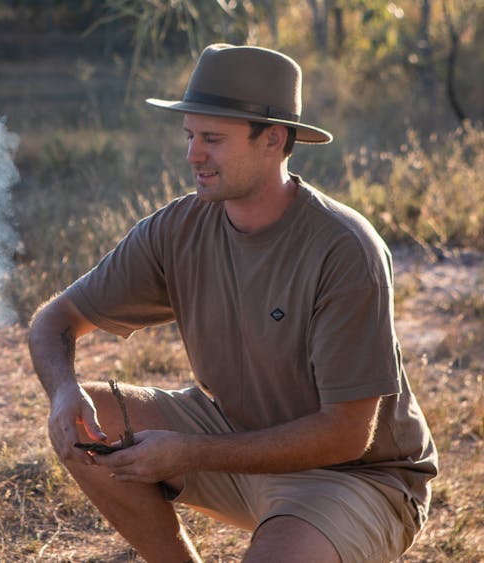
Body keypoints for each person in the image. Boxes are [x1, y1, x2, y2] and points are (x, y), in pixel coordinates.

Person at [27, 44, 437, 563]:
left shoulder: (342, 247)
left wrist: (189, 452)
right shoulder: (177, 228)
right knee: (89, 415)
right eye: (191, 136)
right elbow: (54, 320)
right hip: (238, 443)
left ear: (273, 139)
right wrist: (63, 393)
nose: (193, 155)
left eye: (213, 139)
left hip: (356, 478)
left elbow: (347, 434)